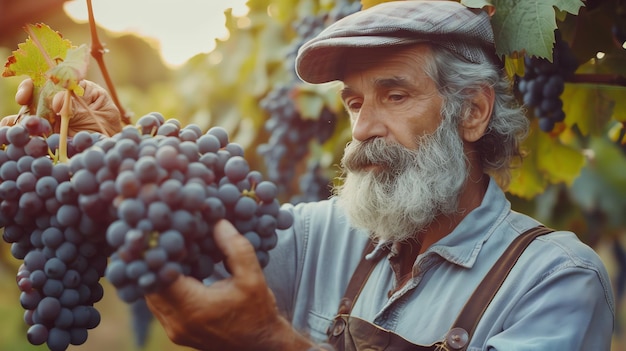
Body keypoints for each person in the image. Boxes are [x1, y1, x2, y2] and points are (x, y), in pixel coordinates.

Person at [3, 1, 615, 350]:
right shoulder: (324, 234)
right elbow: (186, 231)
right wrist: (106, 144)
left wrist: (273, 340)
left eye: (394, 95)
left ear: (474, 112)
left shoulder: (555, 280)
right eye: (354, 102)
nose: (365, 127)